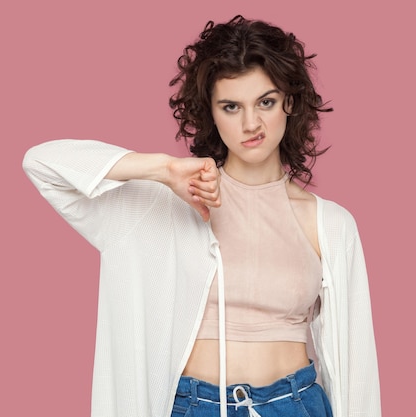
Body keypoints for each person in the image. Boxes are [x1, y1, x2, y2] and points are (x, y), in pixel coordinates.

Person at [23, 15, 380, 417]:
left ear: (290, 102)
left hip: (295, 405)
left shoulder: (330, 224)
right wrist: (162, 169)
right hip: (196, 406)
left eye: (266, 101)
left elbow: (357, 369)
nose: (251, 124)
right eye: (231, 106)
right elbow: (42, 164)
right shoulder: (171, 204)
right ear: (211, 112)